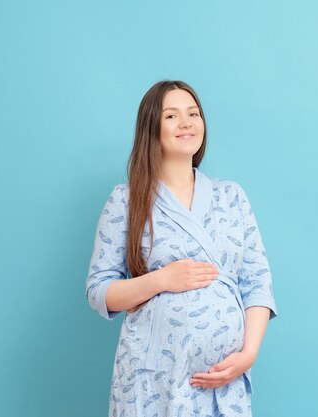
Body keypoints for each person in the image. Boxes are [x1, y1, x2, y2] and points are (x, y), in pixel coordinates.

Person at [85, 80, 278, 416]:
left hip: (221, 379)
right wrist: (161, 280)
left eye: (193, 113)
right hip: (151, 378)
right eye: (172, 116)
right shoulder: (126, 201)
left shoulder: (231, 196)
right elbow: (99, 291)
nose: (187, 122)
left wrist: (247, 355)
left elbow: (257, 283)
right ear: (151, 128)